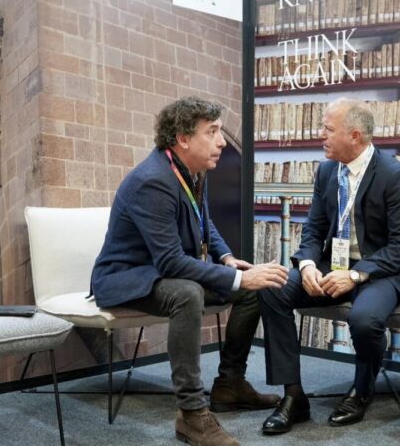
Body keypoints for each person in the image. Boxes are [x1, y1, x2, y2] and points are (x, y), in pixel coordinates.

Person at [91, 96, 289, 446]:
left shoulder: (193, 170)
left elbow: (204, 223)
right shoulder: (152, 180)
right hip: (128, 276)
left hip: (163, 271)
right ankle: (192, 413)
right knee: (188, 293)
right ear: (183, 138)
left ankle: (229, 384)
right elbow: (170, 262)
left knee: (251, 291)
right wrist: (240, 277)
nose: (222, 141)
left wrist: (227, 258)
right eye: (212, 132)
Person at [259, 98, 400, 434]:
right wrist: (307, 265)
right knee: (274, 289)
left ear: (355, 136)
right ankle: (293, 396)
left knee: (364, 319)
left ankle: (362, 390)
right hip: (335, 266)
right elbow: (314, 229)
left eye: (328, 129)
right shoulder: (327, 171)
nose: (321, 135)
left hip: (381, 271)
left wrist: (357, 275)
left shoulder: (394, 175)